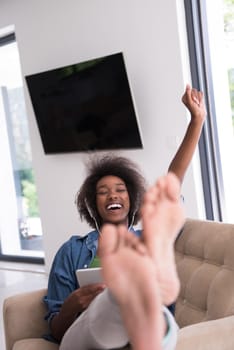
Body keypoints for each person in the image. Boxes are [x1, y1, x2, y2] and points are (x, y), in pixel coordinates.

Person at [43, 84, 206, 348]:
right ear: (93, 205)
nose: (113, 196)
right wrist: (72, 304)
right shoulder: (71, 251)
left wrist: (196, 121)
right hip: (85, 338)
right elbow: (58, 332)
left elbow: (172, 181)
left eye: (120, 190)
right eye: (103, 192)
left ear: (131, 199)